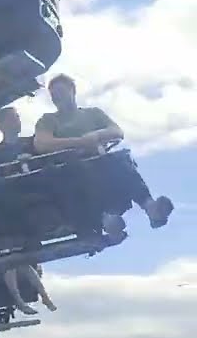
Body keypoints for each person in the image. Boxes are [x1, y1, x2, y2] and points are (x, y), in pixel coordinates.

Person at [33, 74, 173, 228]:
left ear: (72, 90)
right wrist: (78, 143)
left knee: (121, 161)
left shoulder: (93, 113)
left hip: (99, 159)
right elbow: (42, 144)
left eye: (60, 91)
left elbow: (117, 132)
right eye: (53, 94)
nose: (57, 97)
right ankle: (105, 217)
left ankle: (149, 205)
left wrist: (97, 135)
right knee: (80, 172)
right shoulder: (48, 120)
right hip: (69, 165)